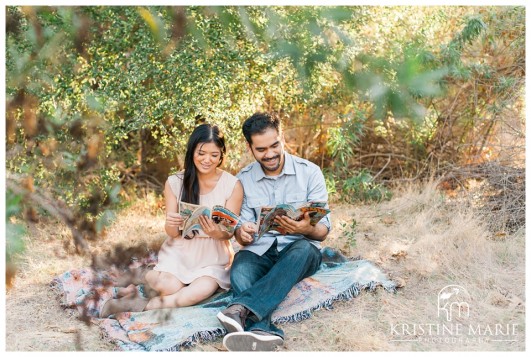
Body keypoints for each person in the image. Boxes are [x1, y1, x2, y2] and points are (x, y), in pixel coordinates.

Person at [100, 123, 244, 317]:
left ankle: (136, 305)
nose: (207, 160)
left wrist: (215, 232)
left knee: (199, 292)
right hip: (180, 250)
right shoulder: (175, 182)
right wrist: (171, 224)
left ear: (221, 155)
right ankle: (143, 273)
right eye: (201, 153)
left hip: (213, 257)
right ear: (192, 151)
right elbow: (172, 232)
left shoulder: (232, 185)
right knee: (167, 286)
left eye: (214, 155)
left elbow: (229, 231)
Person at [216, 112, 331, 351]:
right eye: (261, 149)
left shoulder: (310, 172)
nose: (269, 154)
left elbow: (322, 232)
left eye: (274, 145)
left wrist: (305, 228)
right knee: (240, 269)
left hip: (299, 250)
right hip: (259, 250)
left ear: (282, 138)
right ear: (250, 148)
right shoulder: (243, 180)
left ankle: (239, 309)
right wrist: (242, 233)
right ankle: (263, 331)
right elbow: (240, 233)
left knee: (302, 250)